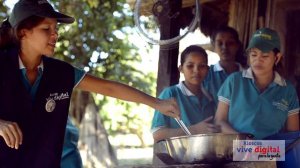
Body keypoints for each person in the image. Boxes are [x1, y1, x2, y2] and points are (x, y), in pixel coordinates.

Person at [0, 0, 180, 167]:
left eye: (56, 28)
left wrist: (157, 103)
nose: (55, 34)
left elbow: (109, 87)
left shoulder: (61, 72)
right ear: (23, 32)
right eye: (46, 29)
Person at [214, 28, 299, 139]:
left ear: (277, 58)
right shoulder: (234, 81)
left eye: (264, 56)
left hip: (272, 154)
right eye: (254, 55)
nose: (258, 60)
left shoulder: (288, 90)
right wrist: (239, 138)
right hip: (236, 151)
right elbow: (219, 121)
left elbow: (293, 134)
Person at [151, 45, 220, 142]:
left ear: (207, 70)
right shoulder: (170, 93)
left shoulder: (210, 98)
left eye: (202, 66)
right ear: (181, 69)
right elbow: (157, 134)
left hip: (206, 155)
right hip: (178, 156)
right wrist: (194, 130)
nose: (196, 70)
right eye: (190, 66)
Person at [203, 26, 246, 104]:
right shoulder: (207, 75)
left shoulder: (248, 74)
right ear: (214, 46)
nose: (224, 47)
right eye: (220, 43)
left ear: (237, 45)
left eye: (230, 43)